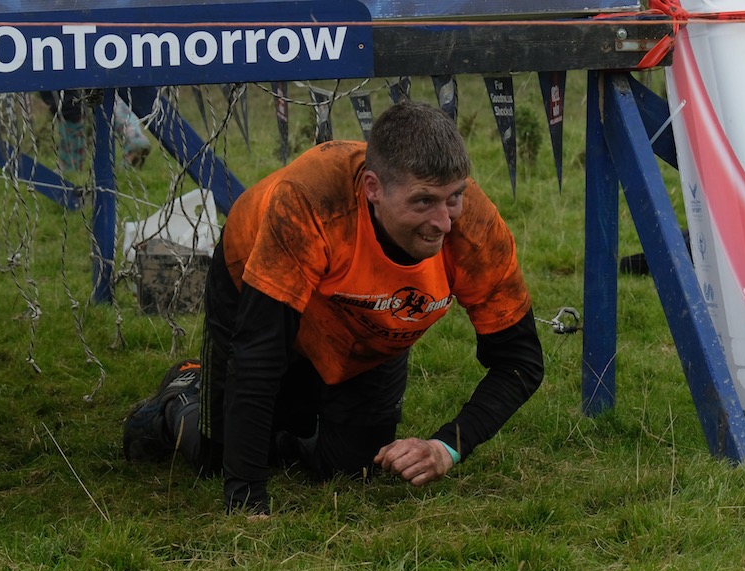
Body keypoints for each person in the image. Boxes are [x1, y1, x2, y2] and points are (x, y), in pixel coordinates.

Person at [124, 101, 544, 516]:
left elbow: (520, 362)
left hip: (369, 328)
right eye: (423, 202)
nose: (444, 223)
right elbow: (258, 355)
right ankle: (181, 394)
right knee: (219, 459)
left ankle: (292, 419)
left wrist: (447, 446)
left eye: (454, 197)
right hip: (255, 285)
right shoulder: (310, 201)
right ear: (373, 188)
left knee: (353, 468)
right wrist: (248, 501)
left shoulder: (475, 228)